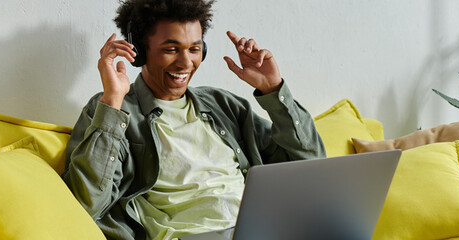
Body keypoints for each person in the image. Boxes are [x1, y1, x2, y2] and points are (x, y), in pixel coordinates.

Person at [61, 0, 325, 239]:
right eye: (171, 49)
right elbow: (87, 202)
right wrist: (113, 101)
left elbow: (311, 167)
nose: (185, 62)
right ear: (139, 52)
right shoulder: (111, 110)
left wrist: (273, 89)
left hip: (263, 230)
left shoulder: (224, 105)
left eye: (194, 49)